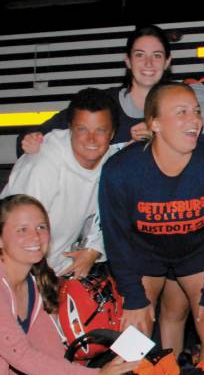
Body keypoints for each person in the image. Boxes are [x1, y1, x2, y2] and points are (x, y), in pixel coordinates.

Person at [98, 82, 204, 360]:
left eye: (196, 111)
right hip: (144, 255)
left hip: (195, 254)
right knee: (133, 340)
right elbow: (116, 239)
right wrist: (133, 296)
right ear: (155, 123)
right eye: (181, 112)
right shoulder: (120, 171)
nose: (194, 120)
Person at [0, 195, 136, 375]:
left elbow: (52, 353)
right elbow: (21, 355)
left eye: (41, 227)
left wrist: (105, 371)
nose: (35, 236)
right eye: (22, 229)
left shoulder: (29, 285)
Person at [3, 88, 120, 279]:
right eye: (82, 129)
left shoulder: (114, 165)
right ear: (70, 129)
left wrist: (93, 250)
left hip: (59, 271)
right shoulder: (43, 164)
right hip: (17, 271)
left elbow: (118, 216)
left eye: (100, 130)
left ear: (112, 133)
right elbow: (14, 233)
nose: (91, 139)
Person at [28, 25, 172, 145]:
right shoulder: (103, 103)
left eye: (157, 55)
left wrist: (160, 139)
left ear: (167, 61)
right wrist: (31, 141)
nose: (148, 63)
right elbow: (37, 135)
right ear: (128, 60)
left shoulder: (180, 107)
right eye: (140, 55)